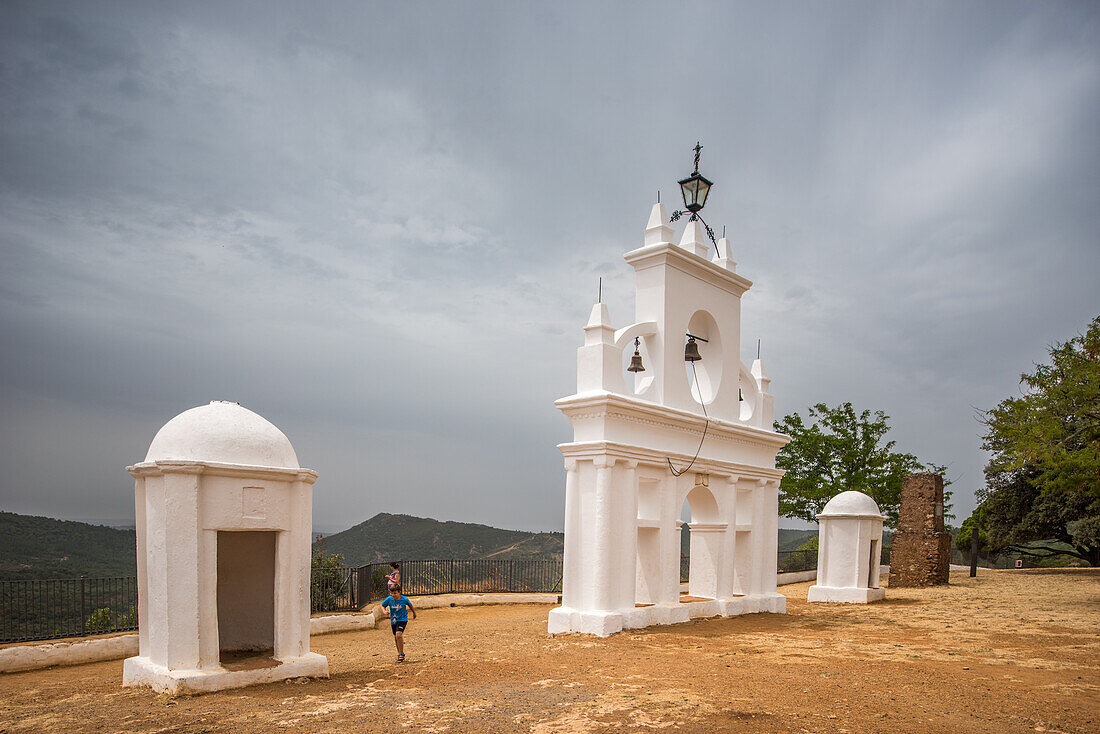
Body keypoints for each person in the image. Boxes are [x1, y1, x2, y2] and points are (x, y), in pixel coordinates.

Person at [381, 583, 416, 663]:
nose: (393, 595)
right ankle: (399, 653)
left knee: (398, 635)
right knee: (396, 637)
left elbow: (410, 605)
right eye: (392, 593)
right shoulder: (389, 599)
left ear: (399, 592)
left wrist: (414, 613)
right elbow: (382, 605)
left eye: (395, 593)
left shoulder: (404, 599)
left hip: (403, 619)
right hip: (393, 620)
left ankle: (401, 654)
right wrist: (384, 611)